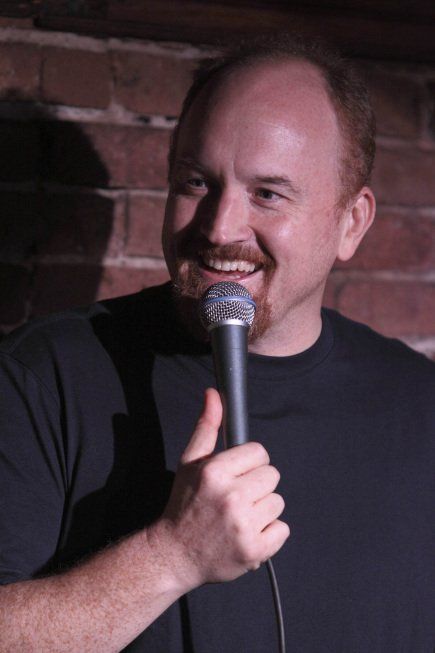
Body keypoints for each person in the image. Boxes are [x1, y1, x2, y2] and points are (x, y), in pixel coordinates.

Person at [0, 34, 434, 652]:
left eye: (268, 194)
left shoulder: (418, 405)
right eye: (196, 182)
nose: (220, 228)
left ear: (351, 222)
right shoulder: (44, 376)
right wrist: (170, 556)